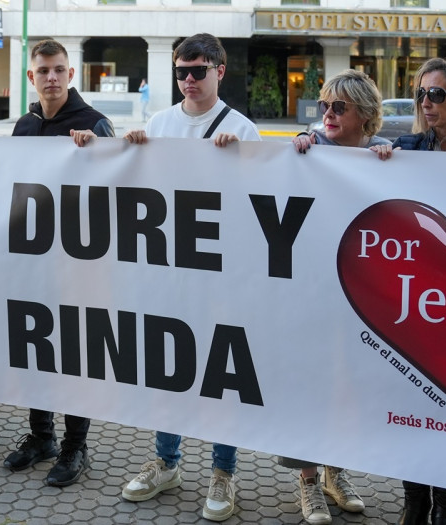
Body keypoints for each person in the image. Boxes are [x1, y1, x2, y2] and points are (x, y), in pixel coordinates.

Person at [119, 33, 260, 523]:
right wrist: (132, 150)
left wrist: (238, 163)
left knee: (223, 374)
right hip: (168, 272)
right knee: (169, 369)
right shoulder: (159, 123)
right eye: (181, 71)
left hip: (220, 275)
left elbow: (259, 209)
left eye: (198, 70)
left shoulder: (243, 128)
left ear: (220, 70)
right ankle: (167, 460)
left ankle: (224, 470)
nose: (188, 80)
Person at [377, 57, 446, 525]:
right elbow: (340, 157)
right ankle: (414, 502)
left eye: (437, 95)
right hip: (408, 302)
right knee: (409, 406)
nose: (426, 103)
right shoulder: (405, 148)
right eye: (421, 93)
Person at [0, 39, 115, 488]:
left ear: (71, 75)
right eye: (43, 70)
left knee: (74, 356)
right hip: (32, 261)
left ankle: (74, 446)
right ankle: (41, 436)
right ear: (32, 77)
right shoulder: (24, 127)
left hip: (79, 264)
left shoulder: (93, 123)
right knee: (35, 350)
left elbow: (121, 185)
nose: (51, 77)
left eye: (59, 70)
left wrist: (99, 151)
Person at [286, 69, 383, 525]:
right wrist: (303, 144)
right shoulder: (311, 150)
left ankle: (334, 472)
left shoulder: (381, 158)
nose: (327, 113)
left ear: (365, 114)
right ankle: (307, 480)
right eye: (324, 105)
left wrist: (388, 159)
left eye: (339, 107)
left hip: (359, 299)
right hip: (310, 293)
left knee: (346, 389)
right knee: (307, 386)